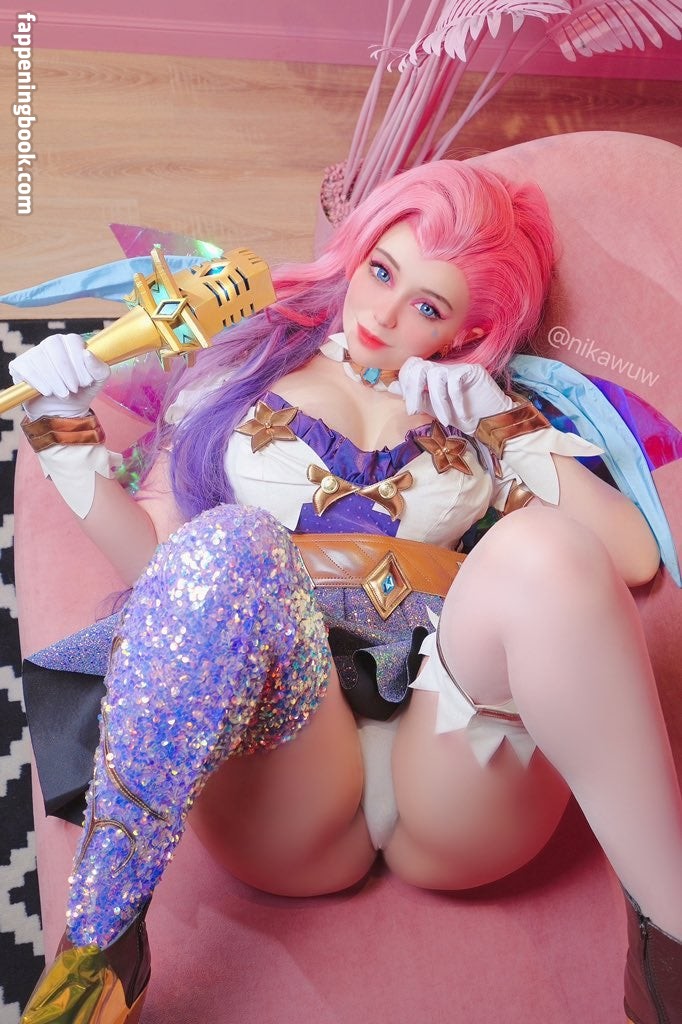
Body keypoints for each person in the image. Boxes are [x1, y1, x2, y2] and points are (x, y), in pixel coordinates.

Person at [10, 161, 682, 1024]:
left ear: (471, 328)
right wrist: (64, 432)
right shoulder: (244, 365)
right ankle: (101, 950)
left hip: (457, 770)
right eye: (381, 270)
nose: (384, 314)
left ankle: (671, 948)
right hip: (284, 757)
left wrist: (499, 421)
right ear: (356, 253)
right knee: (229, 546)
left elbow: (629, 558)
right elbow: (160, 561)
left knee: (548, 548)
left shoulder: (486, 410)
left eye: (428, 307)